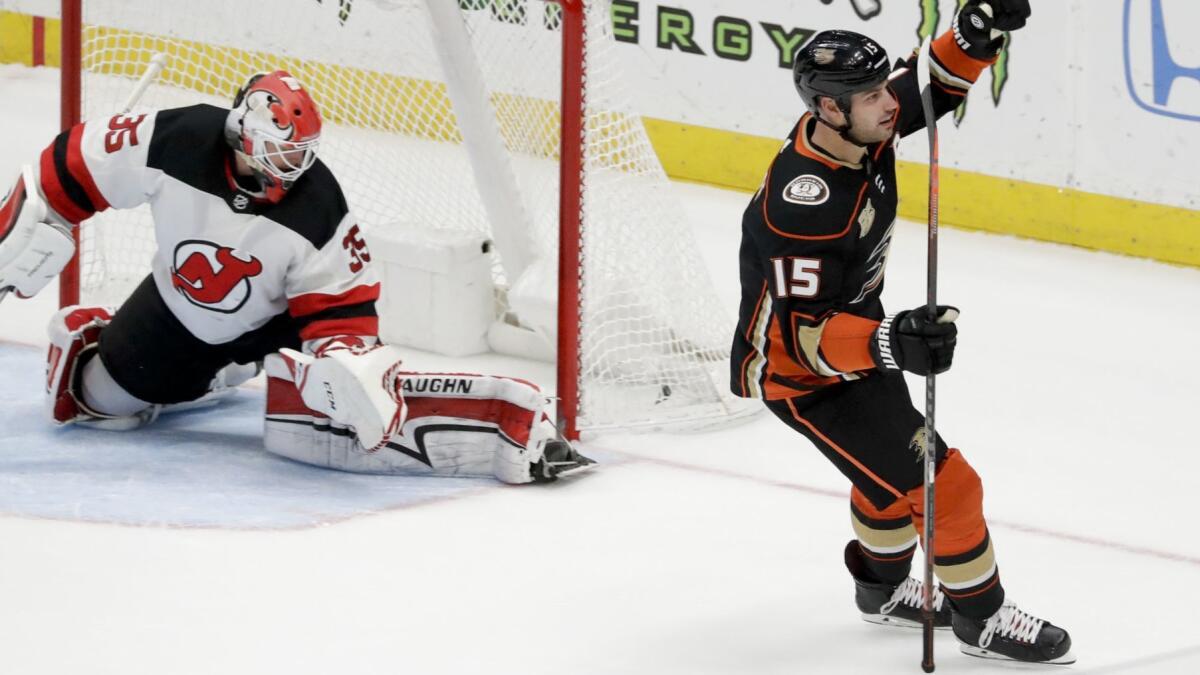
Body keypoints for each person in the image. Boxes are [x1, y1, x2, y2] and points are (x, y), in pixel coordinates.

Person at [0, 70, 591, 484]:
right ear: (241, 134)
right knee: (102, 403)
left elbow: (347, 314)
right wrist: (32, 223)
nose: (294, 169)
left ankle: (251, 364)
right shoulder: (174, 137)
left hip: (279, 322)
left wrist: (345, 366)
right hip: (182, 309)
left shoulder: (320, 208)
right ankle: (172, 362)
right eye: (283, 156)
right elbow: (70, 164)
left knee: (344, 390)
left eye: (301, 155)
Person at [730, 1, 1073, 665]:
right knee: (948, 483)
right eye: (869, 95)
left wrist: (975, 35)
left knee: (888, 481)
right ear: (830, 109)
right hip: (806, 378)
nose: (889, 103)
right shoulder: (808, 203)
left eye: (882, 86)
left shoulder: (860, 126)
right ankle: (983, 617)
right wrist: (893, 341)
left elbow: (926, 84)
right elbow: (804, 340)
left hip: (851, 345)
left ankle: (880, 592)